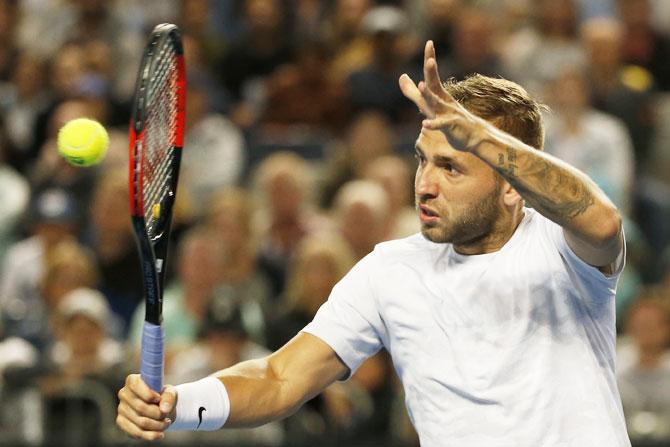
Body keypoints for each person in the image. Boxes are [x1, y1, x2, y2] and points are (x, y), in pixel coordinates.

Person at [116, 41, 629, 446]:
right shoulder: (389, 272)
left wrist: (483, 139)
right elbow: (279, 378)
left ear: (511, 183)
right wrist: (178, 403)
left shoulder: (563, 252)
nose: (425, 183)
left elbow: (601, 222)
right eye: (422, 159)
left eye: (451, 166)